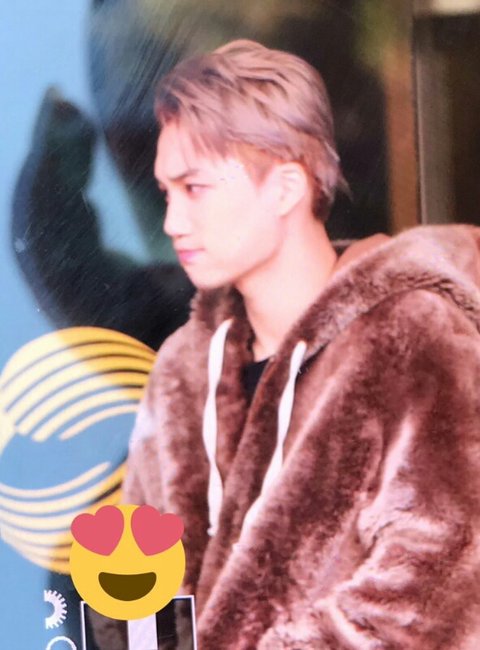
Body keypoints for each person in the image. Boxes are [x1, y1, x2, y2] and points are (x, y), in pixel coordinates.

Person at [121, 40, 480, 648]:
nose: (172, 222)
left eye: (194, 188)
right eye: (165, 193)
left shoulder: (412, 337)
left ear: (287, 187)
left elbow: (438, 591)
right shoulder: (184, 368)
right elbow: (144, 593)